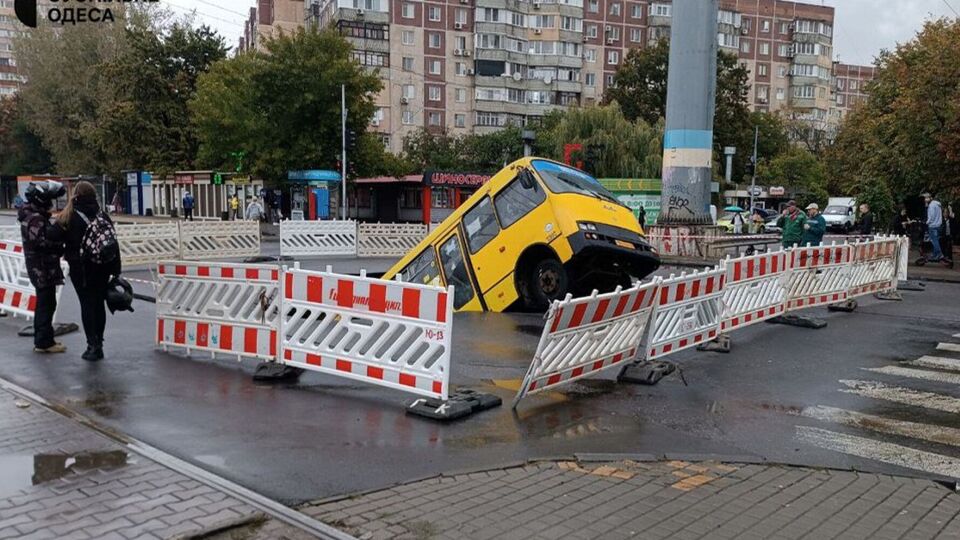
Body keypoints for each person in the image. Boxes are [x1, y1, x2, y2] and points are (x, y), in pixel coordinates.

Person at [53, 181, 122, 361]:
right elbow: (113, 243)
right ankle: (99, 342)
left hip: (81, 268)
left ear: (76, 195)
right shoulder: (102, 215)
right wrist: (116, 269)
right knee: (99, 304)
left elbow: (52, 236)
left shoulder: (70, 215)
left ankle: (92, 346)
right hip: (102, 267)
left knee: (87, 304)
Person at [18, 181, 67, 354]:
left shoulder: (32, 215)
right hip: (41, 268)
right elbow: (41, 243)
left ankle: (45, 339)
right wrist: (59, 244)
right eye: (49, 200)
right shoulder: (36, 219)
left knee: (46, 303)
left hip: (40, 267)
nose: (51, 204)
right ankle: (44, 342)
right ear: (41, 200)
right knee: (46, 304)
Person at [923, 192, 946, 262]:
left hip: (933, 226)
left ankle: (939, 254)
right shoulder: (938, 205)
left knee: (934, 241)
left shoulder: (931, 206)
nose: (925, 200)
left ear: (930, 198)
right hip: (939, 225)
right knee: (936, 240)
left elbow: (931, 216)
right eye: (925, 198)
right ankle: (935, 255)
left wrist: (927, 222)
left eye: (926, 198)